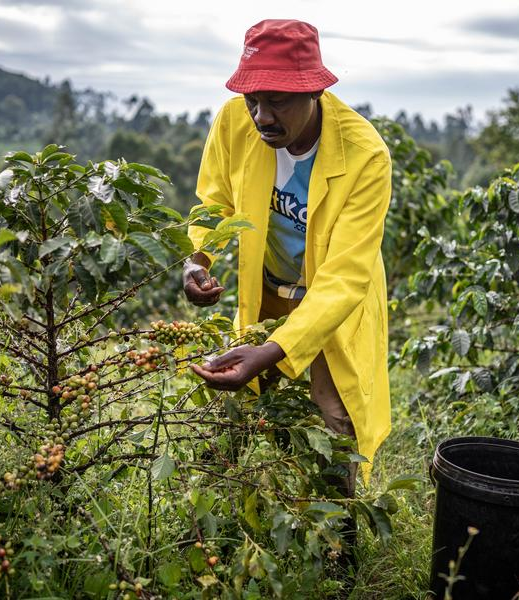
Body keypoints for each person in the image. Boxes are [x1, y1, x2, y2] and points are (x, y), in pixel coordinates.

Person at [185, 19, 391, 498]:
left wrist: (270, 352)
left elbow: (343, 279)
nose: (261, 117)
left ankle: (339, 543)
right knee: (242, 412)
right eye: (253, 101)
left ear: (313, 91)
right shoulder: (234, 122)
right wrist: (198, 260)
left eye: (277, 101)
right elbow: (215, 203)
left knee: (336, 418)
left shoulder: (365, 156)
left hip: (332, 304)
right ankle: (224, 518)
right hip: (268, 290)